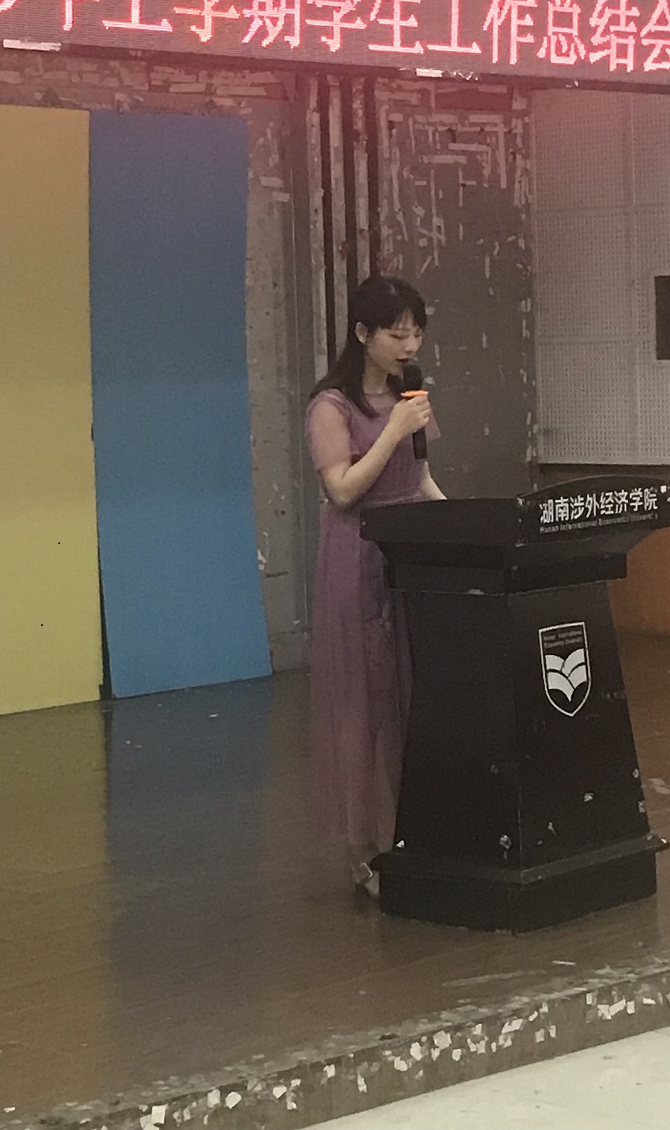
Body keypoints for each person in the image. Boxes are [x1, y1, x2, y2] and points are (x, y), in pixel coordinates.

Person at [305, 275, 446, 897]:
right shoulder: (330, 406)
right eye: (396, 334)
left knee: (411, 694)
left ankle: (412, 832)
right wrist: (391, 428)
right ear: (363, 333)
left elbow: (420, 477)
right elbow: (341, 488)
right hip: (358, 555)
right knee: (363, 699)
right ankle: (362, 849)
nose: (408, 346)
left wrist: (468, 526)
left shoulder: (408, 394)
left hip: (409, 551)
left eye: (416, 334)